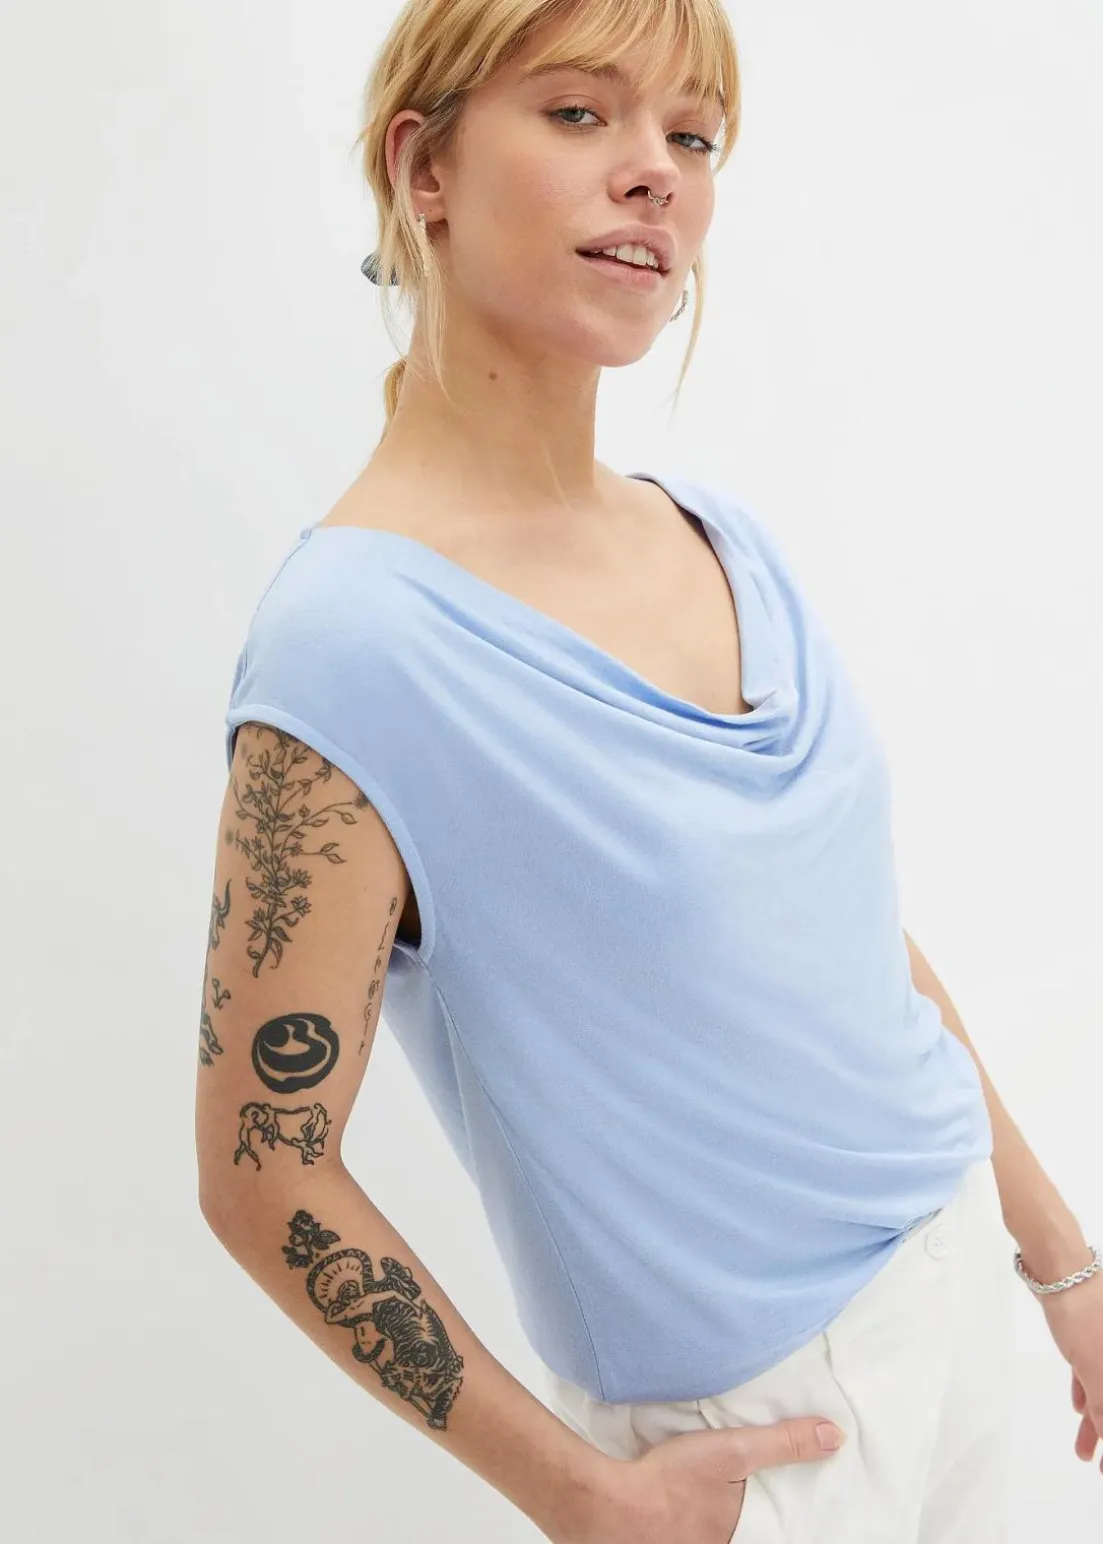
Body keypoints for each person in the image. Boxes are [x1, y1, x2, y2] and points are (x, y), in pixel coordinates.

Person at [195, 1, 1103, 1541]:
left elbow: (848, 949)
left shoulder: (718, 539)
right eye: (577, 114)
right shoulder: (354, 643)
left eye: (691, 136)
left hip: (955, 1310)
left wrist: (1059, 1263)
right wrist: (580, 1497)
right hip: (751, 1428)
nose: (654, 173)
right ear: (422, 167)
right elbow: (259, 1170)